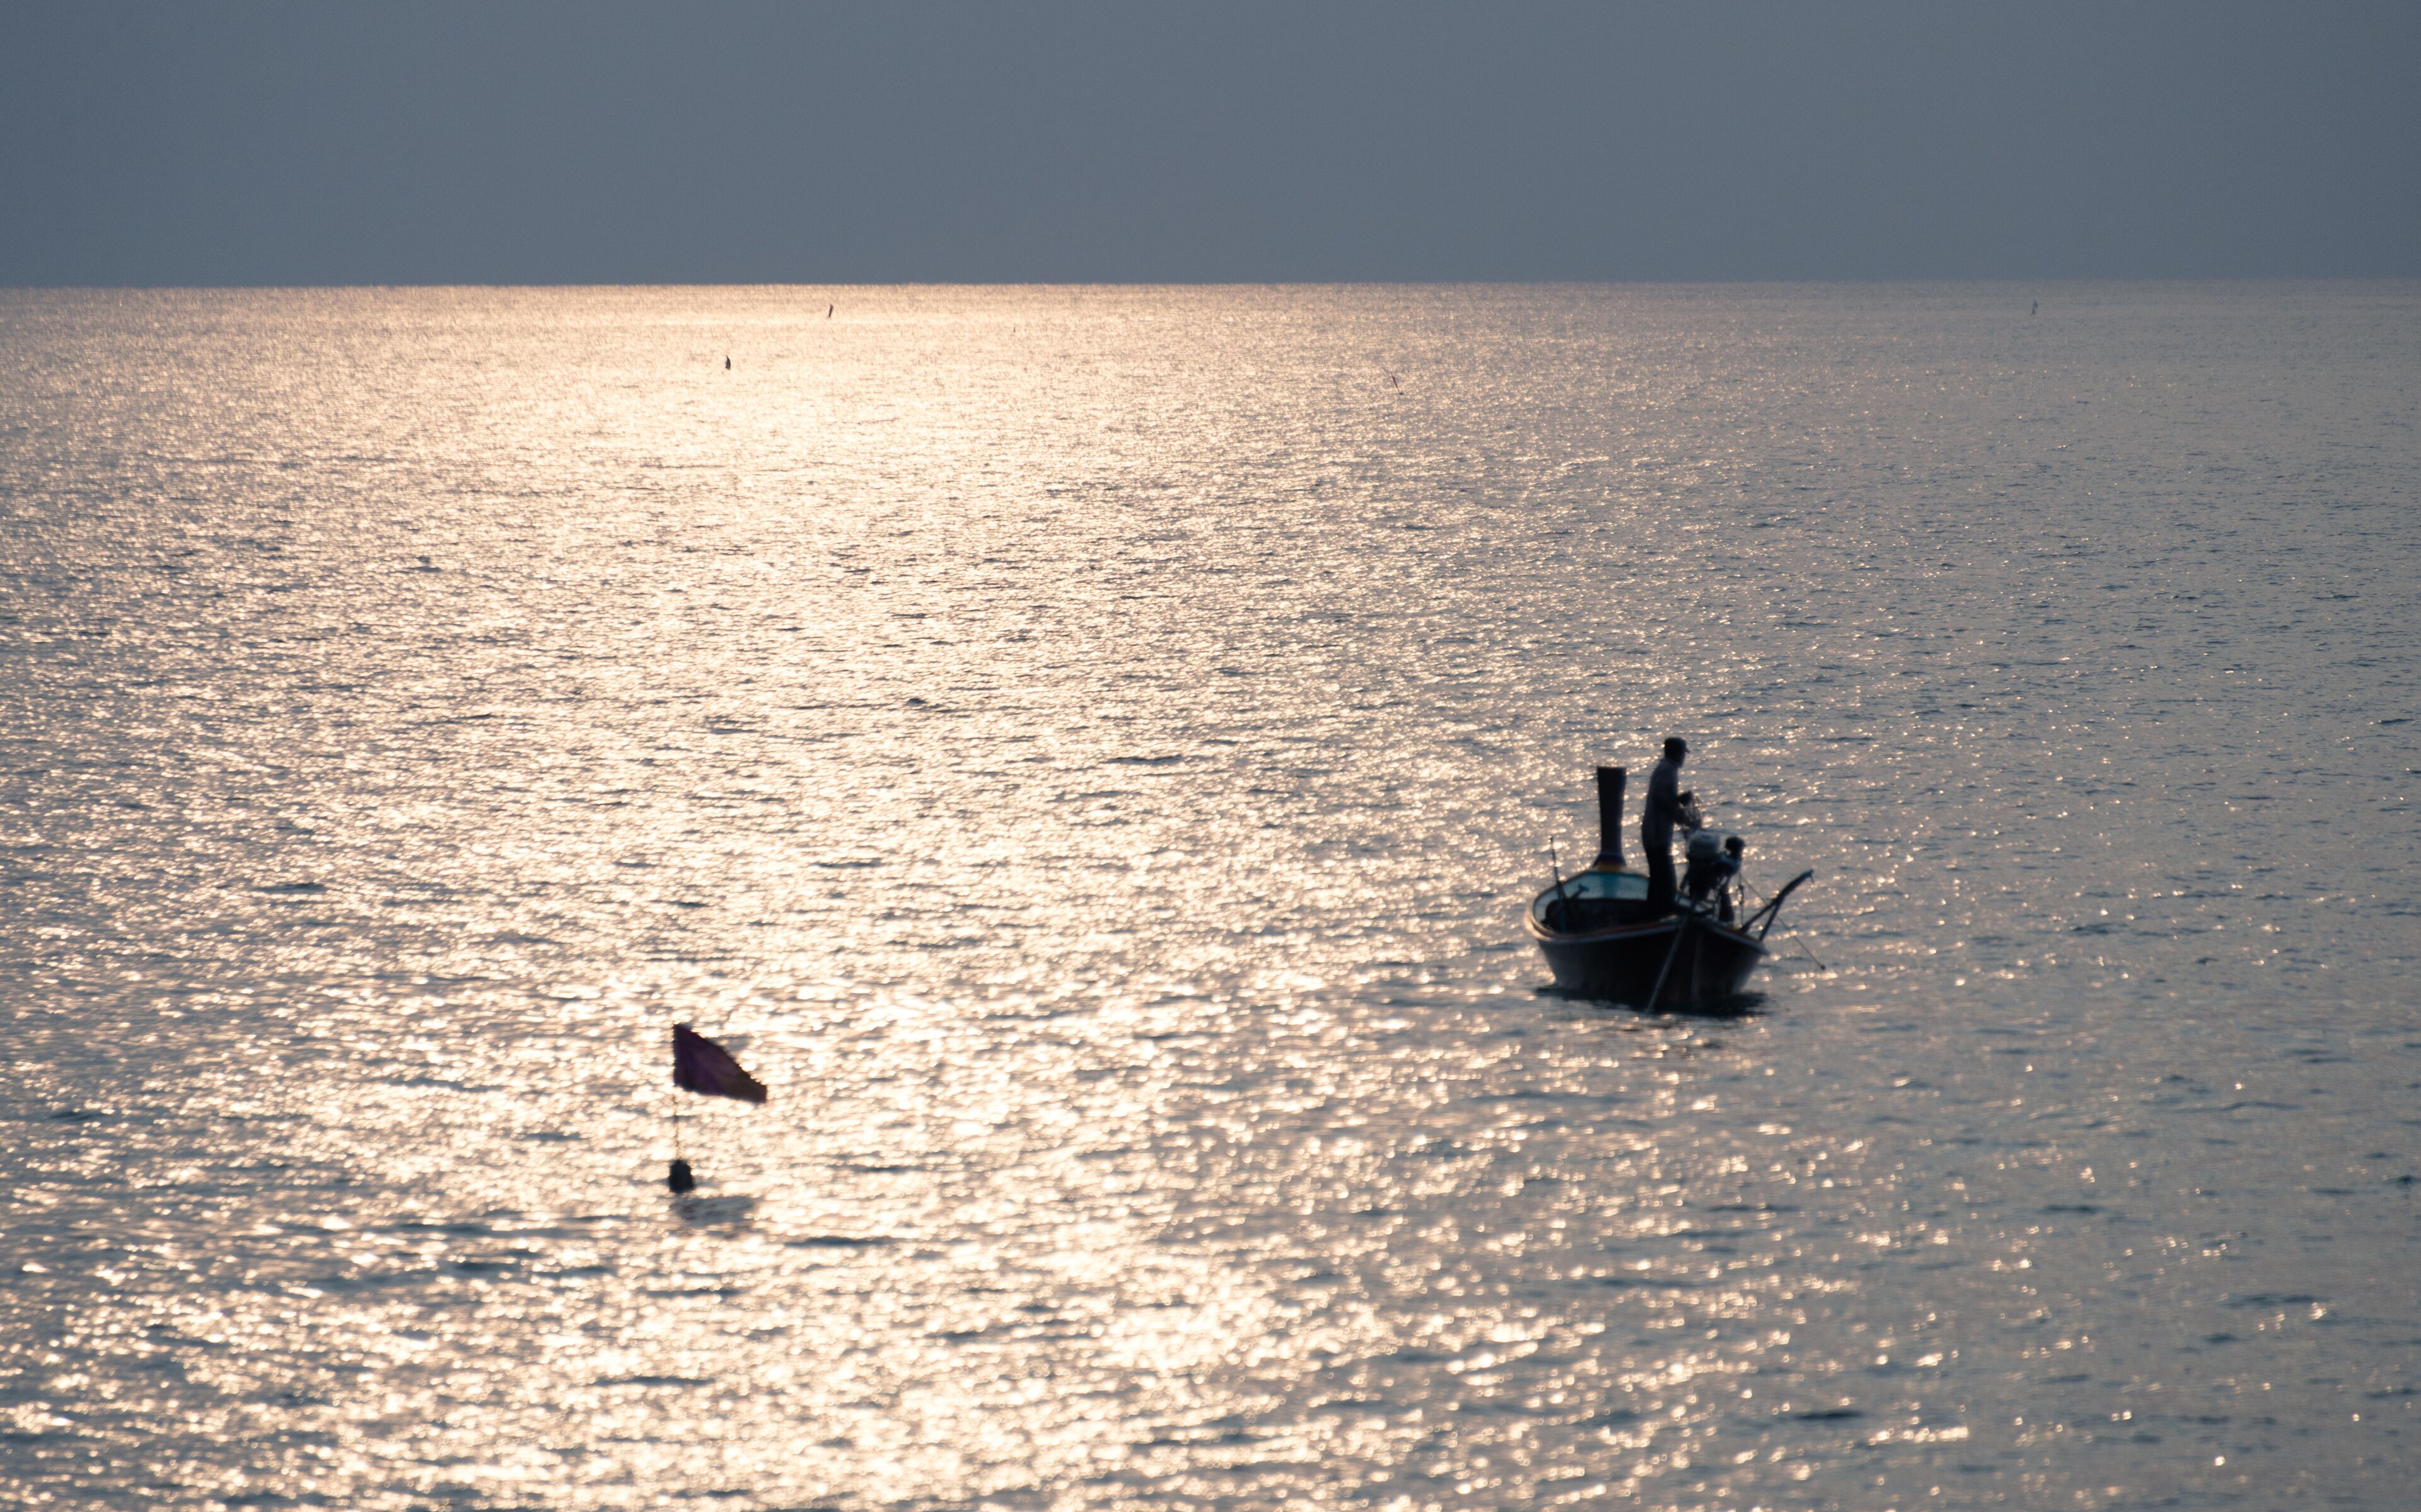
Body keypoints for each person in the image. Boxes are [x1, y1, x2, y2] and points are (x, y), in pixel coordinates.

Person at [1640, 736, 1697, 914]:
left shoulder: (1664, 768)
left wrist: (1678, 802)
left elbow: (1664, 799)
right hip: (1656, 833)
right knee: (1665, 880)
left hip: (1653, 832)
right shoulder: (1669, 771)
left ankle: (1653, 912)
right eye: (1683, 754)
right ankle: (1660, 913)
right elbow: (1660, 799)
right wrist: (1680, 802)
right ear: (1677, 753)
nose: (1684, 758)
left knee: (1657, 878)